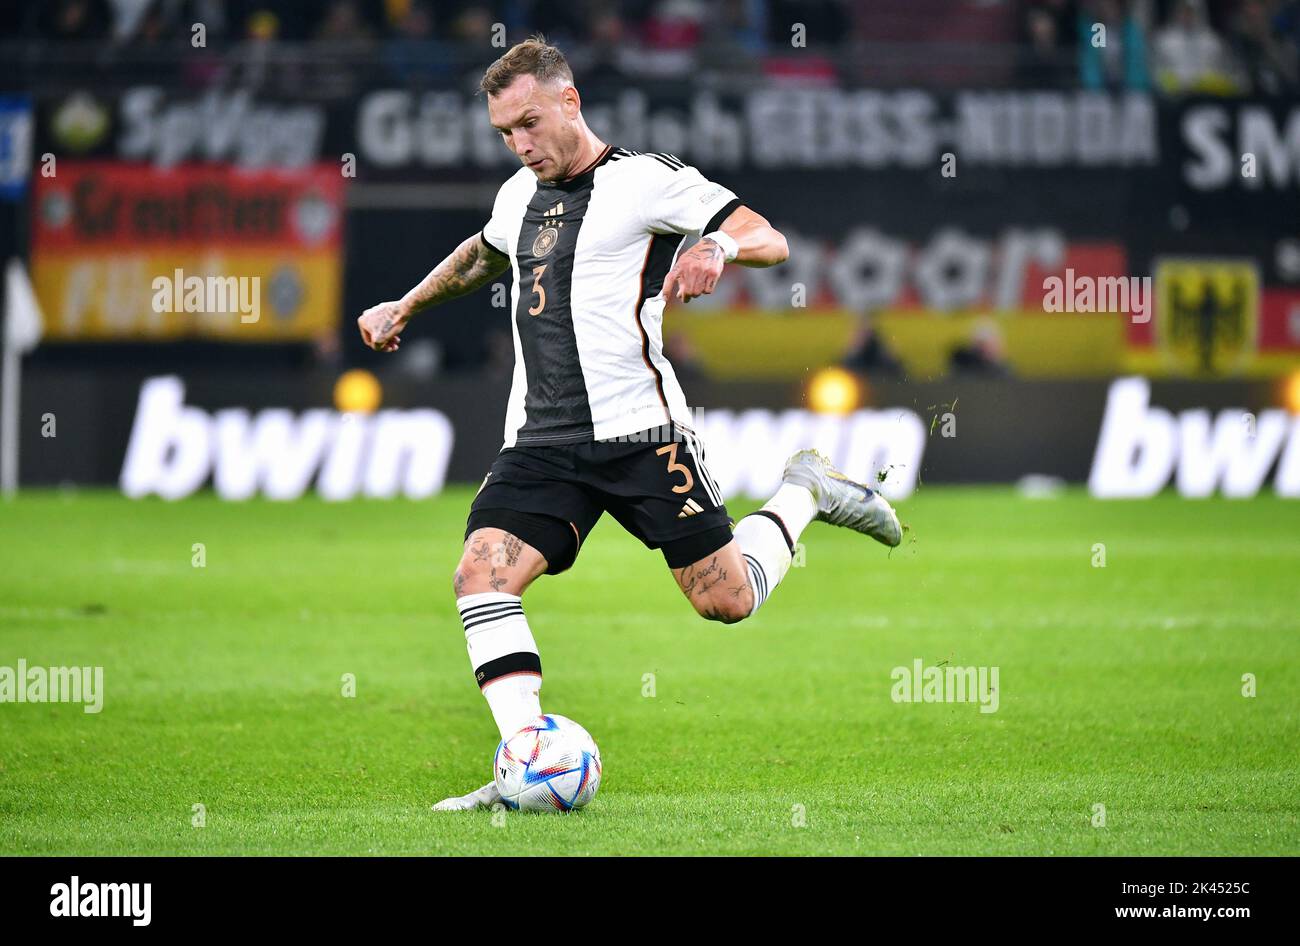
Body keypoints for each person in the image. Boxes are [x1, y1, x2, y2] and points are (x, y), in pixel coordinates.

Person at [356, 36, 902, 812]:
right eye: (505, 132)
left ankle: (806, 489)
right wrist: (405, 304)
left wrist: (715, 243)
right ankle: (523, 757)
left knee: (727, 601)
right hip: (542, 443)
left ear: (570, 101)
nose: (520, 144)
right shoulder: (519, 195)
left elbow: (768, 237)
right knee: (480, 574)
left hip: (644, 436)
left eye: (530, 122)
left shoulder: (645, 181)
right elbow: (483, 255)